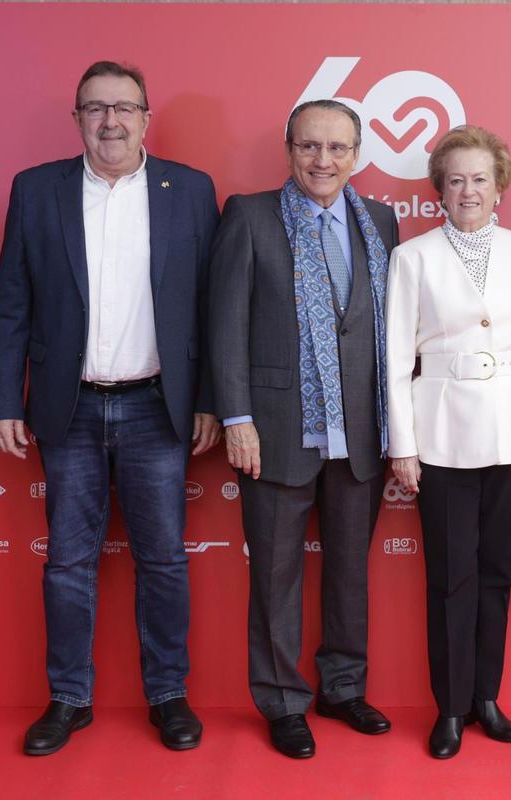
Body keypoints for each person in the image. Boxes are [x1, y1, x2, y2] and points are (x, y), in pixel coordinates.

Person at [0, 61, 221, 755]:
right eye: (94, 108)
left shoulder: (191, 191)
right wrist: (4, 398)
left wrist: (208, 399)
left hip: (157, 409)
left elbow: (210, 308)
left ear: (147, 118)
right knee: (67, 562)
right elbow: (11, 306)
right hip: (69, 409)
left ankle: (169, 695)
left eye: (123, 107)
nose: (110, 121)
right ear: (78, 119)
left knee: (164, 562)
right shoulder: (36, 191)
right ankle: (68, 699)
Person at [208, 100, 400, 759]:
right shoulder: (250, 215)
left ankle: (343, 689)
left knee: (350, 571)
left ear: (357, 154)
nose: (324, 161)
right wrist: (238, 418)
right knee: (276, 577)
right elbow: (225, 325)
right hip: (278, 428)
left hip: (363, 432)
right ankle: (284, 701)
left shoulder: (380, 222)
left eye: (338, 148)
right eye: (310, 147)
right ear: (289, 149)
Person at [386, 126, 511, 759]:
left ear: (500, 187)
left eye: (480, 178)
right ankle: (452, 708)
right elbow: (394, 361)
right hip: (440, 437)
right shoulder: (413, 258)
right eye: (456, 178)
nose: (468, 190)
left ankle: (488, 697)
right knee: (450, 576)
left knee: (494, 572)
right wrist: (402, 445)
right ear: (439, 189)